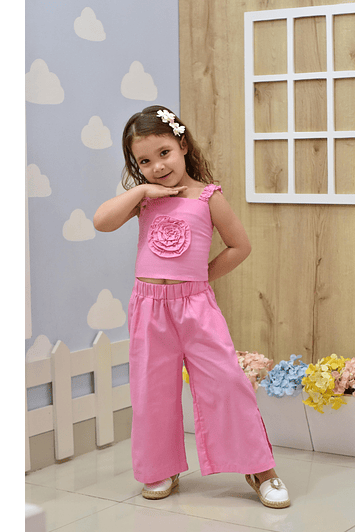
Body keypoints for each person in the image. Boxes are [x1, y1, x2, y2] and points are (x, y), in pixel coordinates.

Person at [93, 105, 290, 509]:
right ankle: (160, 468)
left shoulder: (208, 196)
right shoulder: (144, 200)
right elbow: (101, 221)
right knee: (151, 390)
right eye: (144, 161)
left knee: (228, 382)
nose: (157, 166)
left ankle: (260, 468)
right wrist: (141, 191)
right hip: (149, 308)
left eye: (164, 153)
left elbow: (239, 246)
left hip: (195, 306)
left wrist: (200, 279)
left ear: (182, 145)